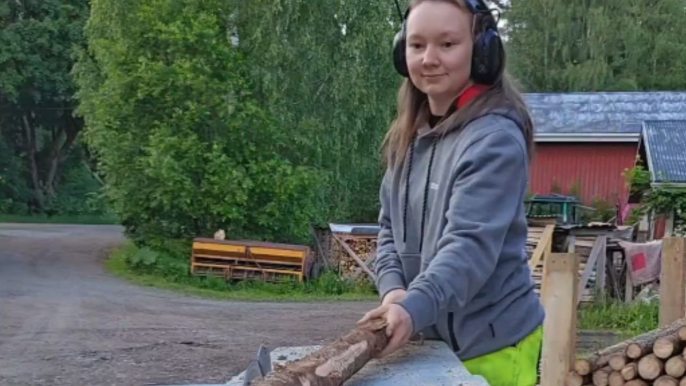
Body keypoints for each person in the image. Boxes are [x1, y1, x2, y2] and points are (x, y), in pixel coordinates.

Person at [357, 0, 545, 385]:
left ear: (482, 50)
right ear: (400, 51)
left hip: (492, 347)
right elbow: (389, 229)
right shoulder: (409, 139)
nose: (429, 58)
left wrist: (413, 308)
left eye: (447, 44)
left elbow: (469, 248)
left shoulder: (495, 140)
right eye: (416, 45)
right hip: (433, 340)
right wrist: (394, 291)